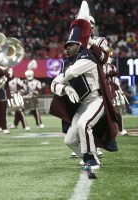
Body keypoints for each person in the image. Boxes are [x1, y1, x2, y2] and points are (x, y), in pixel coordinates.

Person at [50, 11, 119, 170]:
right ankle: (91, 153)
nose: (67, 49)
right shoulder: (68, 62)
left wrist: (62, 80)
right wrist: (65, 88)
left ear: (79, 44)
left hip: (97, 99)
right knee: (69, 140)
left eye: (70, 45)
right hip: (82, 104)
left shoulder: (88, 57)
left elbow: (72, 72)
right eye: (66, 46)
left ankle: (91, 158)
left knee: (83, 124)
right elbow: (54, 83)